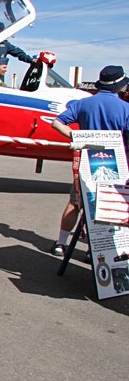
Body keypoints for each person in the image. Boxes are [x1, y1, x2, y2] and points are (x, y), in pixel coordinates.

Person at [50, 65, 129, 257]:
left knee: (76, 202)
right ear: (119, 86)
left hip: (86, 161)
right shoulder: (126, 109)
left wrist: (75, 136)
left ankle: (61, 243)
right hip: (116, 163)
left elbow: (57, 122)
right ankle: (95, 251)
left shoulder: (83, 103)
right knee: (107, 206)